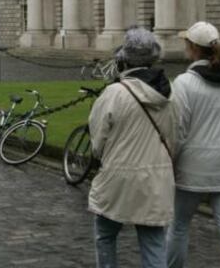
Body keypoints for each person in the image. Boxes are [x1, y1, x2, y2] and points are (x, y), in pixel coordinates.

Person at [88, 27, 178, 267]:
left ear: (124, 58)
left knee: (105, 236)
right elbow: (175, 137)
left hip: (117, 177)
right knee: (154, 244)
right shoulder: (170, 93)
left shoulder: (113, 93)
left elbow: (97, 142)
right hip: (156, 178)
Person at [166, 21, 220, 268]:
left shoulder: (184, 83)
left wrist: (170, 161)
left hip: (192, 168)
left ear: (193, 48)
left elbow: (178, 131)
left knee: (179, 227)